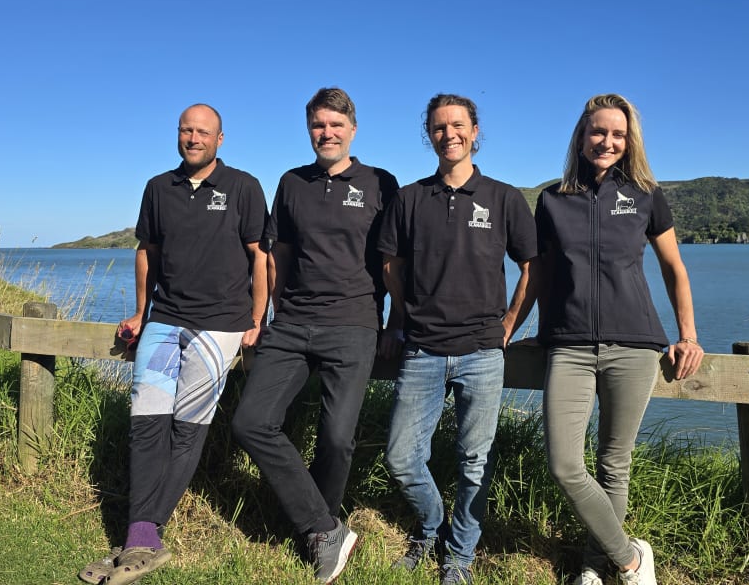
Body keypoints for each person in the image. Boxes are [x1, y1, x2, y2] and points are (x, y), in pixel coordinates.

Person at [77, 104, 268, 585]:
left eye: (203, 131)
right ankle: (143, 537)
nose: (193, 138)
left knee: (189, 426)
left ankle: (141, 535)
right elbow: (147, 252)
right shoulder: (158, 187)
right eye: (186, 130)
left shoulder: (243, 187)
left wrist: (258, 318)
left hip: (222, 326)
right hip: (164, 319)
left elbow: (260, 256)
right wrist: (142, 311)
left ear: (220, 139)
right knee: (146, 420)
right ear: (178, 134)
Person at [535, 93, 705, 585]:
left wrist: (688, 335)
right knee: (565, 463)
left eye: (617, 133)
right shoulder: (551, 199)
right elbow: (543, 275)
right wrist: (533, 332)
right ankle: (631, 559)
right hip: (568, 346)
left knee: (614, 462)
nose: (606, 141)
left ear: (629, 140)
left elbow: (674, 268)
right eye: (598, 131)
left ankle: (594, 564)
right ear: (581, 136)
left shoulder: (647, 194)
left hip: (634, 344)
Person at [231, 87, 398, 584]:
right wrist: (266, 316)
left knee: (337, 438)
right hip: (292, 324)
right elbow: (274, 254)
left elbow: (393, 260)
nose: (326, 133)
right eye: (318, 126)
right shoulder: (291, 182)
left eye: (335, 124)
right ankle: (325, 529)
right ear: (310, 130)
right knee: (250, 422)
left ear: (353, 128)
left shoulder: (380, 183)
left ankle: (317, 535)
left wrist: (397, 321)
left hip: (354, 324)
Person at [378, 93, 539, 585]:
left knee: (475, 462)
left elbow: (532, 267)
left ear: (475, 132)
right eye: (439, 127)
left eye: (457, 125)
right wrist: (403, 315)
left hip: (482, 353)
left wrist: (510, 322)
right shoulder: (408, 199)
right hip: (422, 349)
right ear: (429, 134)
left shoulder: (504, 197)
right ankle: (431, 527)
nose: (449, 134)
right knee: (401, 456)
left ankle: (460, 557)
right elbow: (390, 265)